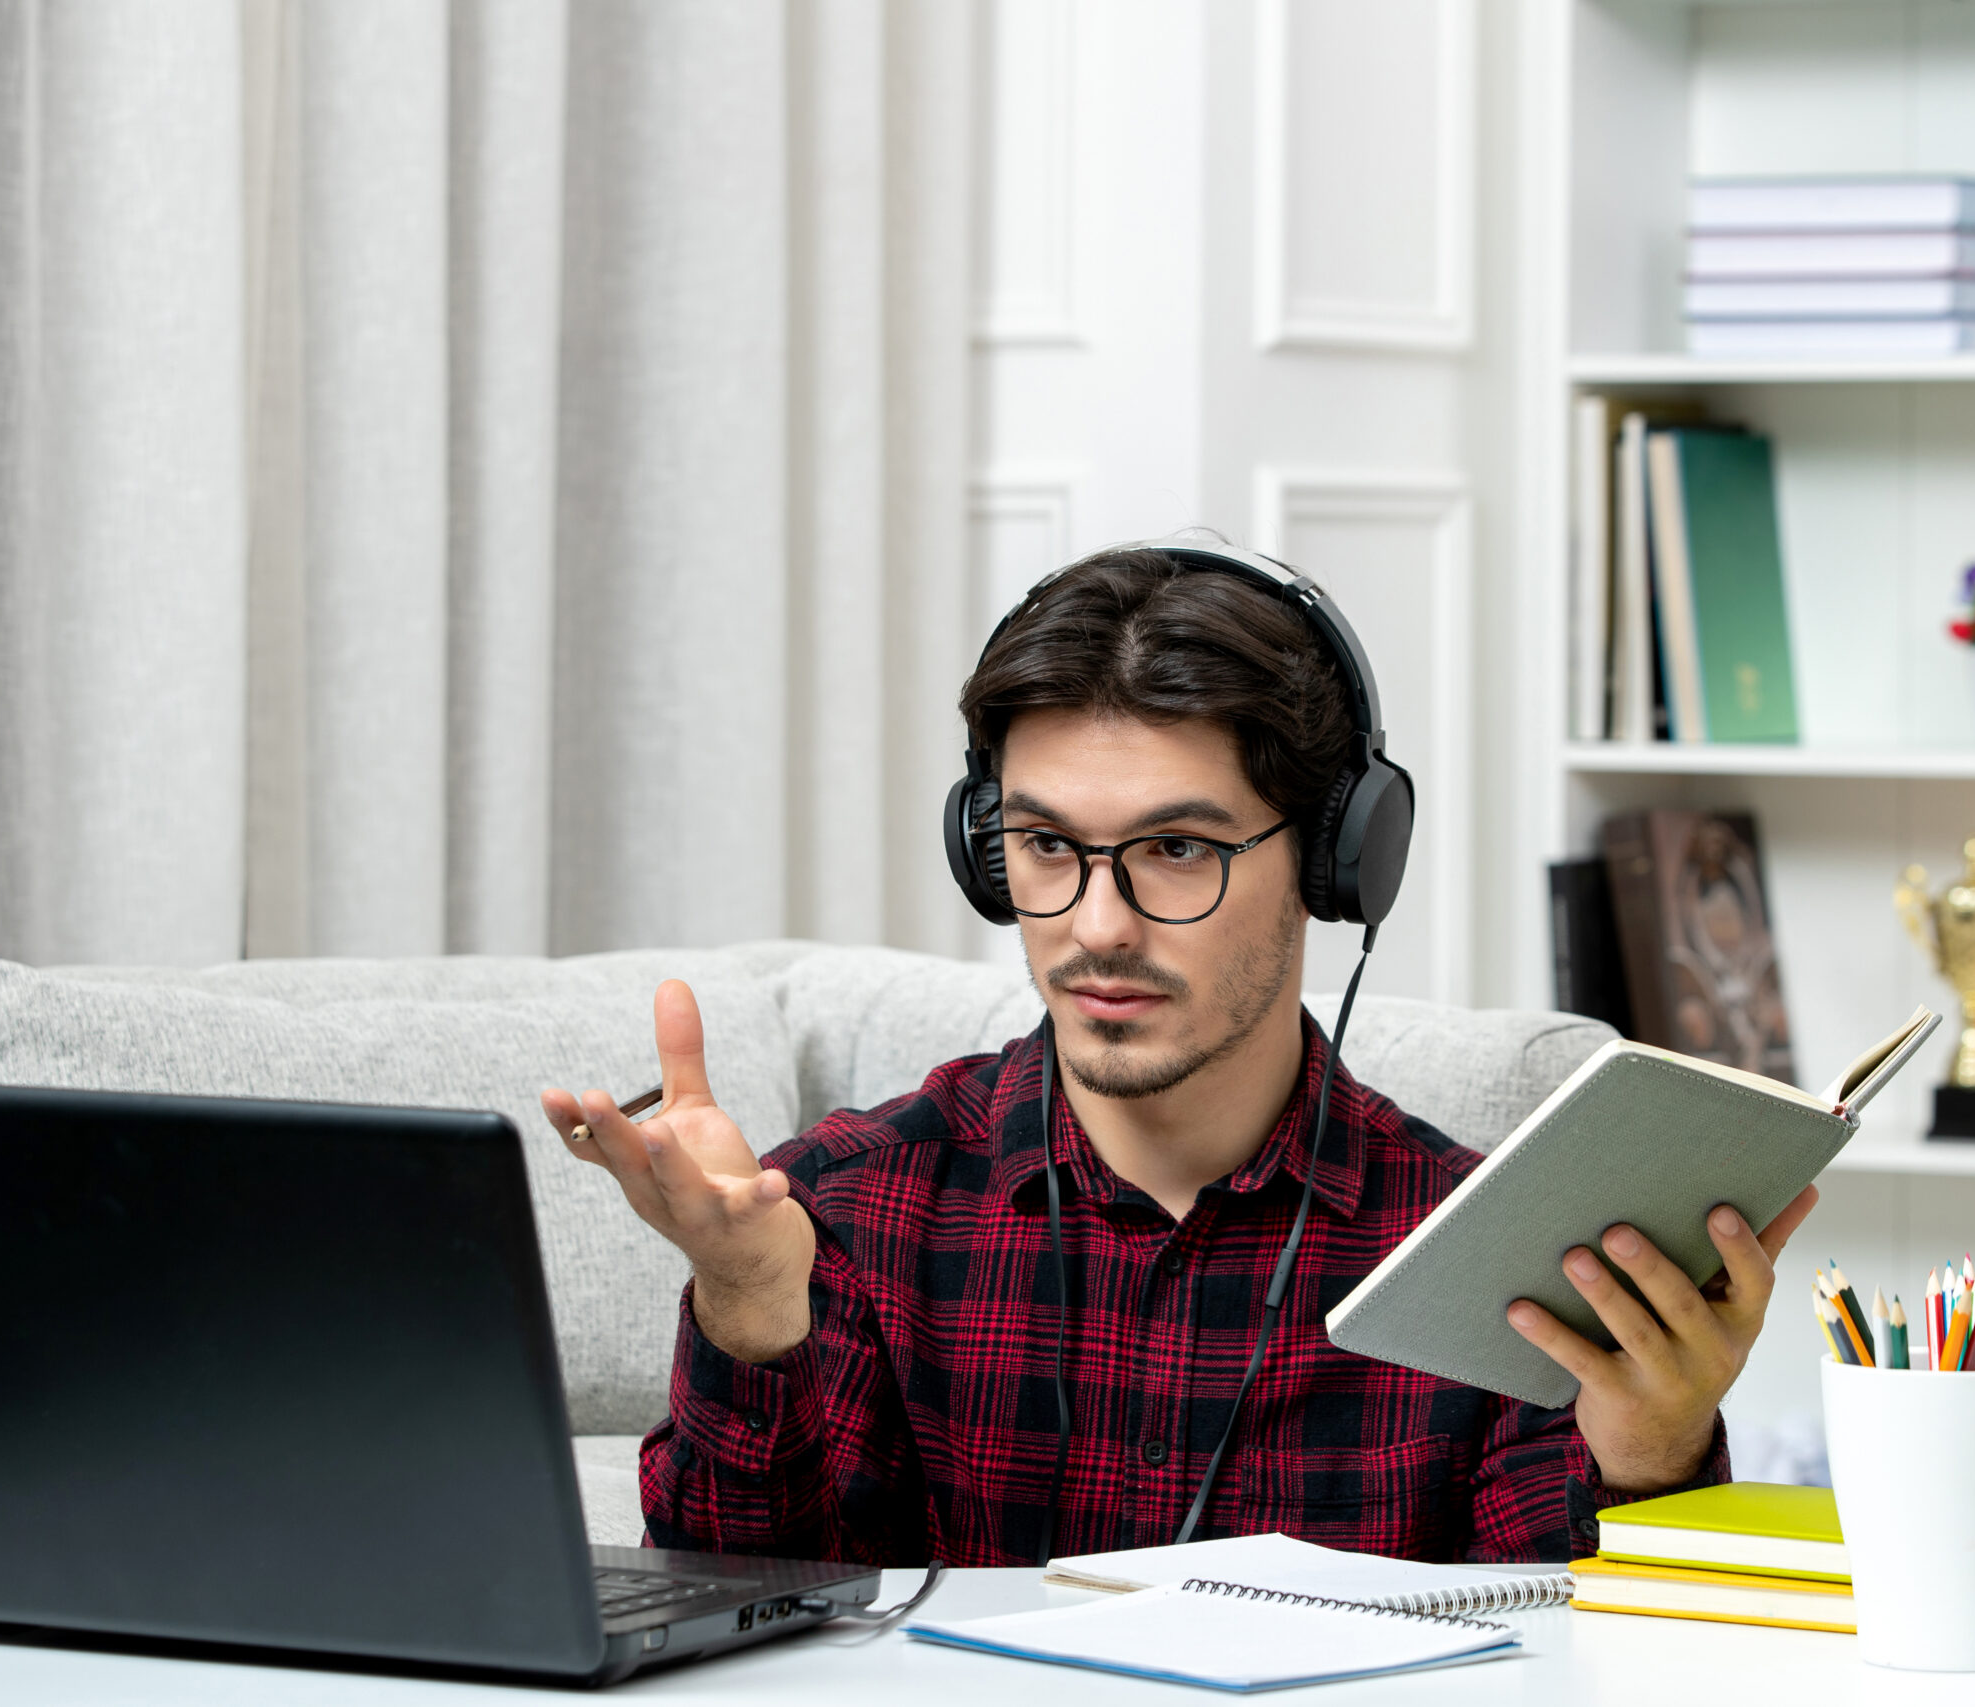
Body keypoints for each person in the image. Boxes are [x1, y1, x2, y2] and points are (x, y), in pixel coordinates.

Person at [540, 544, 1816, 1566]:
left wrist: (1648, 1453)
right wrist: (752, 1320)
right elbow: (745, 1647)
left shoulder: (1498, 1262)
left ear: (1335, 863)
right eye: (1046, 847)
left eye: (1177, 851)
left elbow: (1567, 1667)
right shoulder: (846, 1212)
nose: (1097, 928)